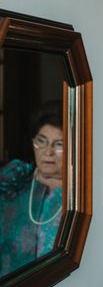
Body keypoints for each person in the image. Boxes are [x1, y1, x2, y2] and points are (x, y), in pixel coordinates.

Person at [0, 100, 64, 277]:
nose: (48, 151)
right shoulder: (15, 181)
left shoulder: (80, 195)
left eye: (59, 144)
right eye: (41, 141)